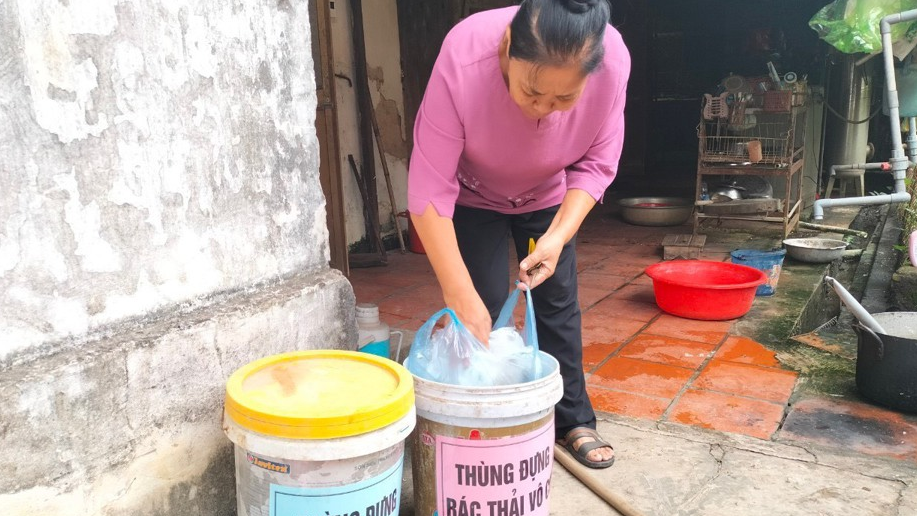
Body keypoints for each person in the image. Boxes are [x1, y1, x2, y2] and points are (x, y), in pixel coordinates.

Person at [407, 0, 629, 469]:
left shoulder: (613, 61)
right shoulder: (465, 53)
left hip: (549, 195)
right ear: (507, 48)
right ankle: (483, 423)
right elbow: (428, 189)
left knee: (556, 301)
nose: (544, 111)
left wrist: (557, 236)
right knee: (478, 306)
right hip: (472, 195)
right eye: (532, 91)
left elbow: (596, 165)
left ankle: (572, 421)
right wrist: (458, 294)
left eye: (564, 99)